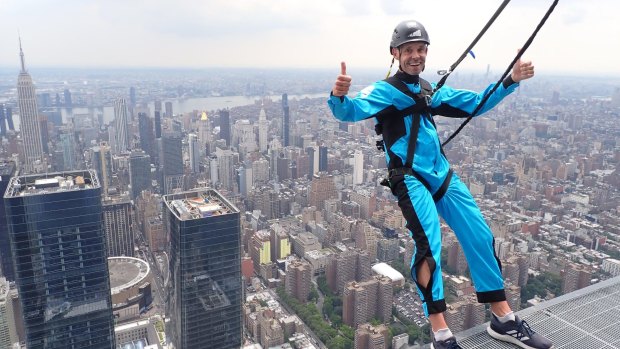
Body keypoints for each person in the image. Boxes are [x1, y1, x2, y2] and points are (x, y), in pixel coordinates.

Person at [328, 20, 553, 349]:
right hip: (409, 177)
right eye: (409, 50)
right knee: (428, 247)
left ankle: (503, 318)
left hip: (441, 173)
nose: (416, 55)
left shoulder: (430, 91)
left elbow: (475, 103)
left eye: (421, 49)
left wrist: (511, 80)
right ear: (395, 53)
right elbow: (351, 111)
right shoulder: (383, 92)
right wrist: (338, 96)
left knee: (480, 234)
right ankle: (441, 333)